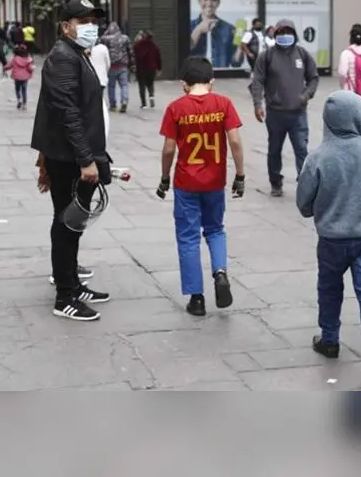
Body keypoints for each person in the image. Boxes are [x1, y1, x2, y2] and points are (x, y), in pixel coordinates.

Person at [296, 90, 361, 389]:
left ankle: (329, 339)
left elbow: (303, 203)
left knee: (329, 288)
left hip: (331, 239)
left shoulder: (317, 157)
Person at [30, 0, 112, 321]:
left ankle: (73, 284)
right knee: (67, 222)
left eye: (93, 20)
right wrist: (86, 160)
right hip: (69, 157)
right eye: (83, 21)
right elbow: (68, 113)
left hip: (77, 153)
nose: (91, 26)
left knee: (73, 222)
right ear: (66, 27)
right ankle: (65, 295)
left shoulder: (76, 53)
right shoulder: (63, 58)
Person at [156, 57, 246, 316]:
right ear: (212, 82)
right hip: (215, 181)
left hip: (186, 182)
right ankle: (220, 272)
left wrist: (164, 177)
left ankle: (196, 298)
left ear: (183, 84)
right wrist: (240, 175)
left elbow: (169, 148)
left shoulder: (176, 108)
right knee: (216, 229)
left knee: (188, 236)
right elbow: (236, 141)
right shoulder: (223, 104)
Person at [249, 18, 319, 197]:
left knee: (301, 149)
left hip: (298, 113)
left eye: (288, 32)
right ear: (275, 34)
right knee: (274, 150)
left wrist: (306, 95)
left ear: (294, 34)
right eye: (281, 32)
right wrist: (258, 104)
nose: (284, 35)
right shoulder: (267, 56)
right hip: (275, 113)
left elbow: (314, 78)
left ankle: (305, 184)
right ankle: (276, 183)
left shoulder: (302, 54)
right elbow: (257, 80)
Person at [188, 0, 240, 68]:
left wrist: (241, 46)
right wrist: (198, 30)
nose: (209, 3)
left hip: (220, 77)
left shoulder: (230, 29)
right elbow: (181, 54)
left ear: (218, 3)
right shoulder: (187, 26)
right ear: (199, 0)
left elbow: (236, 63)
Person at [100, 22, 133, 113]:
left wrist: (106, 32)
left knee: (111, 86)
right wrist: (132, 64)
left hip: (112, 66)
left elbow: (100, 40)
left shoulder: (106, 39)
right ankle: (124, 101)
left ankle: (113, 105)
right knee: (124, 85)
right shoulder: (125, 38)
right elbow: (130, 52)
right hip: (123, 66)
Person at [132, 30, 162, 109]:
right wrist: (159, 69)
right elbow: (158, 59)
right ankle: (151, 96)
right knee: (150, 83)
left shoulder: (138, 45)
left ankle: (144, 104)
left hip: (141, 68)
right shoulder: (155, 46)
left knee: (142, 85)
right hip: (151, 68)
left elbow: (134, 55)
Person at [3, 44, 35, 111]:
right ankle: (24, 104)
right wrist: (32, 69)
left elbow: (9, 66)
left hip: (17, 77)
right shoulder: (28, 60)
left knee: (17, 89)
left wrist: (4, 68)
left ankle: (19, 99)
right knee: (24, 90)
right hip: (25, 77)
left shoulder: (15, 59)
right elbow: (30, 69)